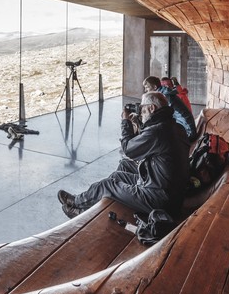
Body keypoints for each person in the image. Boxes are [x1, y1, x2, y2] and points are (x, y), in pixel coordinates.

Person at [57, 91, 191, 223]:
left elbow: (129, 149)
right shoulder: (175, 127)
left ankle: (77, 204)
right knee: (118, 175)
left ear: (151, 108)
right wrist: (140, 124)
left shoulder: (158, 131)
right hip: (170, 192)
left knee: (107, 185)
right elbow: (149, 146)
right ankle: (94, 208)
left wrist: (125, 122)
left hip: (158, 199)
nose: (140, 112)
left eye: (142, 108)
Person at [146, 76, 197, 141]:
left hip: (188, 131)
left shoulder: (165, 96)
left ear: (155, 87)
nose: (145, 90)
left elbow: (162, 115)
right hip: (185, 126)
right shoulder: (164, 93)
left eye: (147, 87)